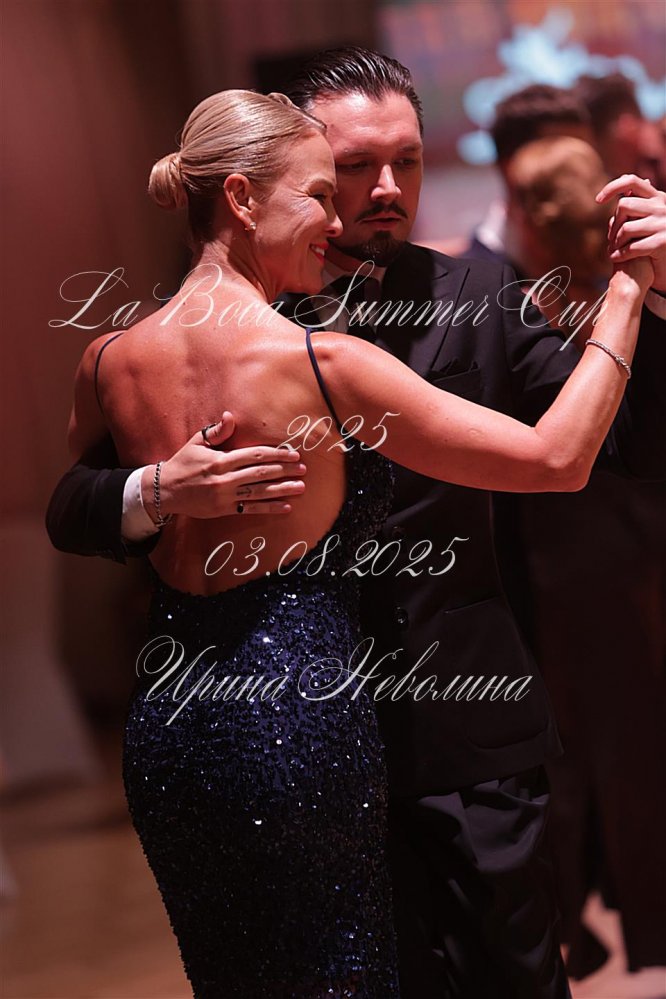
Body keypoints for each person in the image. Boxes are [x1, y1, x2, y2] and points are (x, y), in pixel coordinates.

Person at [46, 50, 666, 999]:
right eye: (351, 167)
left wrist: (652, 295)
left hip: (462, 742)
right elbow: (77, 499)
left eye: (408, 162)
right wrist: (156, 490)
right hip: (284, 739)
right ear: (281, 171)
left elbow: (626, 440)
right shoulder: (204, 328)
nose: (384, 189)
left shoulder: (475, 297)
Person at [464, 130, 666, 979]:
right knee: (621, 741)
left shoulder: (520, 300)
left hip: (566, 555)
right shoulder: (607, 293)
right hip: (622, 549)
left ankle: (576, 917)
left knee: (577, 749)